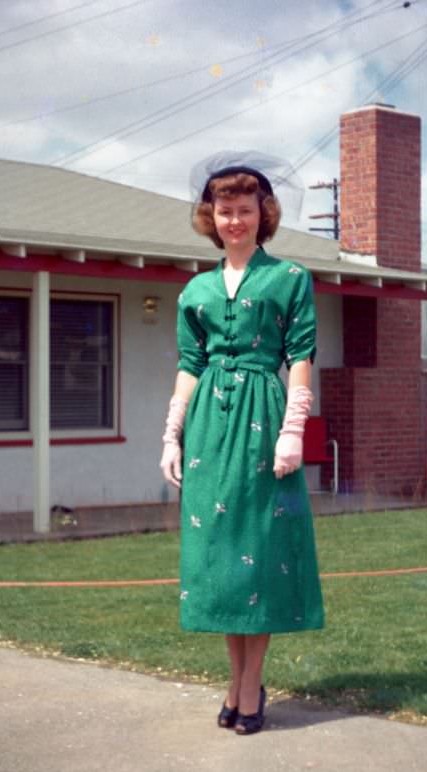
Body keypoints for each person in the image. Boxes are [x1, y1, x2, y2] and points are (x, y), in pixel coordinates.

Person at [160, 152, 324, 735]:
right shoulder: (195, 290)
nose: (234, 220)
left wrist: (294, 430)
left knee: (260, 557)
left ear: (264, 214)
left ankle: (251, 689)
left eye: (245, 210)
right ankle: (235, 683)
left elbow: (299, 356)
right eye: (224, 211)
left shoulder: (289, 279)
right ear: (212, 216)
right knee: (225, 564)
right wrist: (172, 434)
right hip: (209, 425)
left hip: (263, 418)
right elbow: (189, 363)